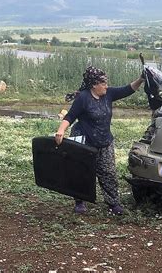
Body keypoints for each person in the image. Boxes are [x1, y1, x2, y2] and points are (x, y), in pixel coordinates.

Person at [55, 66, 145, 215]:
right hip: (85, 142)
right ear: (94, 84)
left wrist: (141, 79)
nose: (106, 86)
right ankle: (80, 201)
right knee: (82, 172)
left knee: (108, 172)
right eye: (103, 83)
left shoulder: (108, 94)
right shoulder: (83, 98)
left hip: (105, 141)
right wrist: (61, 130)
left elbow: (127, 89)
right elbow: (70, 116)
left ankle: (113, 204)